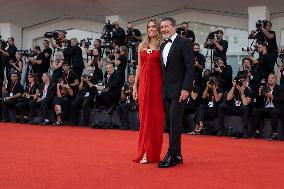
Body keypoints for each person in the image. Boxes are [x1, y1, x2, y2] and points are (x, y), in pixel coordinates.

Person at [158, 17, 194, 168]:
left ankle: (171, 154)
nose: (164, 29)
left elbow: (190, 67)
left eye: (166, 26)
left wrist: (186, 88)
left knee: (174, 122)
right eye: (162, 27)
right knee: (171, 123)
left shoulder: (184, 42)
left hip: (179, 90)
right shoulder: (163, 45)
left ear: (174, 27)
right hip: (166, 91)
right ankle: (178, 155)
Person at [132, 18, 164, 164]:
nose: (151, 29)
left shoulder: (162, 45)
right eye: (149, 27)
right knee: (144, 117)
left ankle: (153, 152)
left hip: (157, 84)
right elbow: (139, 67)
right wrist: (134, 86)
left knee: (155, 117)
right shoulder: (141, 45)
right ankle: (144, 151)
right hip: (143, 84)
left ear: (157, 28)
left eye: (153, 26)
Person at [252, 73, 284, 140]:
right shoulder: (265, 88)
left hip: (277, 109)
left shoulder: (280, 88)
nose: (270, 80)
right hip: (267, 108)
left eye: (272, 78)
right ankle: (257, 132)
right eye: (269, 78)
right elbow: (259, 102)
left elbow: (282, 100)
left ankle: (274, 134)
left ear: (275, 80)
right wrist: (260, 94)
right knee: (255, 111)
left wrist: (272, 97)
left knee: (273, 112)